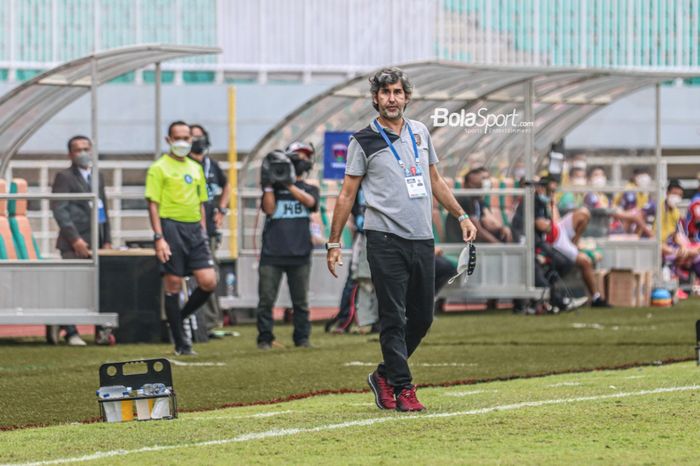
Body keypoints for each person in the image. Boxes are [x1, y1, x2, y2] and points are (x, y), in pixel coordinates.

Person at [326, 67, 477, 412]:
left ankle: (384, 375)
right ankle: (404, 388)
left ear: (406, 97)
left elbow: (435, 179)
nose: (391, 99)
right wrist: (334, 243)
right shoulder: (362, 140)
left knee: (422, 318)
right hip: (384, 238)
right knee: (393, 316)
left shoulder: (421, 132)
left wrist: (462, 215)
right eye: (385, 93)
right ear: (375, 99)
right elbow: (347, 194)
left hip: (422, 237)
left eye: (397, 92)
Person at [145, 121, 218, 356]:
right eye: (178, 138)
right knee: (174, 283)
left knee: (209, 281)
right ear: (168, 140)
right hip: (171, 228)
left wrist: (204, 232)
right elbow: (153, 205)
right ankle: (181, 342)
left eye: (187, 138)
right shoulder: (158, 168)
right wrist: (159, 237)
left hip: (195, 230)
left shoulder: (195, 168)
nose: (183, 142)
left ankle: (179, 317)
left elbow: (202, 202)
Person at [256, 141, 320, 349]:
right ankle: (265, 338)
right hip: (272, 253)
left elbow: (311, 203)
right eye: (298, 156)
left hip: (300, 253)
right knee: (266, 299)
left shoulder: (310, 188)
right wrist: (269, 184)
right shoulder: (273, 187)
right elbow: (269, 209)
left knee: (300, 302)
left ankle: (302, 338)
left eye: (305, 157)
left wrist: (289, 184)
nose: (303, 160)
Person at [49, 135, 112, 346]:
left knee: (99, 287)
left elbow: (104, 209)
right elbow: (60, 209)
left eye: (86, 148)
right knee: (73, 287)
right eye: (78, 150)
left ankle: (100, 331)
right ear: (70, 154)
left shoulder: (97, 176)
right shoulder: (64, 177)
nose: (83, 153)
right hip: (73, 243)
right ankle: (71, 331)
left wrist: (107, 240)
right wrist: (75, 239)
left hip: (96, 240)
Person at [188, 124, 230, 338]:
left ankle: (211, 322)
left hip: (209, 230)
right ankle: (192, 321)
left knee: (210, 274)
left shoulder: (211, 165)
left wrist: (222, 209)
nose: (197, 140)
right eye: (192, 137)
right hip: (186, 227)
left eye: (199, 136)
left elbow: (227, 184)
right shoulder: (184, 165)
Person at [445, 167, 510, 244]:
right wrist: (499, 246)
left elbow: (489, 223)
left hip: (472, 242)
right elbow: (478, 231)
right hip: (461, 244)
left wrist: (502, 229)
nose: (481, 186)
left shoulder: (478, 202)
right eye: (475, 185)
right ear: (466, 185)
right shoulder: (464, 200)